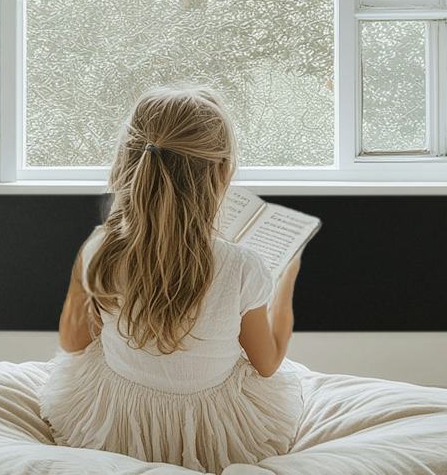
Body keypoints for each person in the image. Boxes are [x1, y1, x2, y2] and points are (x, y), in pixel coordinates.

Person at [42, 85, 305, 470]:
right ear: (221, 173)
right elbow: (267, 364)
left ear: (128, 161)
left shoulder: (100, 249)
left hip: (117, 425)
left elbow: (72, 341)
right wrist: (285, 283)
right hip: (216, 432)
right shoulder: (242, 266)